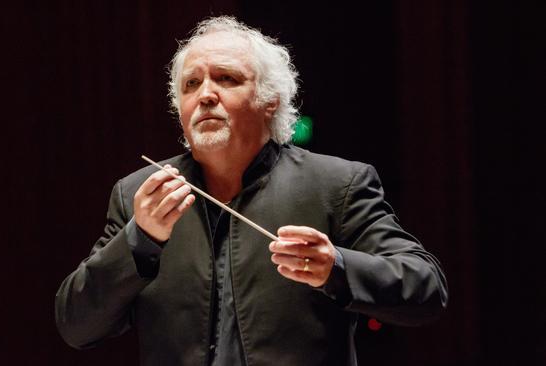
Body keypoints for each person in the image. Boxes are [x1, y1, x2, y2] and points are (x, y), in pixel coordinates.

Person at [55, 16, 448, 366]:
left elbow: (425, 288)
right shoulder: (140, 194)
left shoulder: (335, 185)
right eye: (192, 84)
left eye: (226, 78)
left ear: (269, 101)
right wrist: (138, 241)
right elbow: (76, 326)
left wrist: (338, 268)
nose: (206, 94)